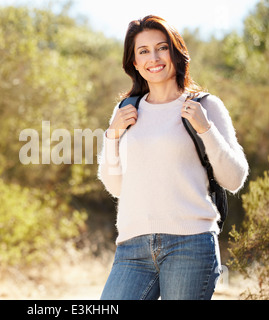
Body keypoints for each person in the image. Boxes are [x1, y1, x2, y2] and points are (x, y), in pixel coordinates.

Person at [98, 15, 249, 300]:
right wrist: (112, 135)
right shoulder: (126, 109)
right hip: (132, 248)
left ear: (175, 52)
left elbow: (235, 178)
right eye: (143, 51)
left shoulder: (205, 105)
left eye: (162, 48)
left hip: (190, 245)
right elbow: (116, 187)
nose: (153, 58)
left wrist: (205, 129)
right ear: (133, 62)